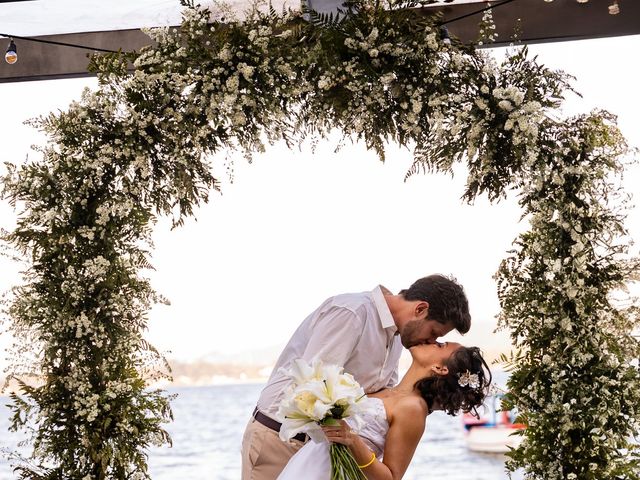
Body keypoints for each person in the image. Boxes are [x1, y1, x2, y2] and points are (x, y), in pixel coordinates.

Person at [241, 275, 471, 480]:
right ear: (420, 309)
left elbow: (377, 407)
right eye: (433, 334)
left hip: (321, 454)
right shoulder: (352, 313)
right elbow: (310, 384)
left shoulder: (397, 340)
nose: (429, 342)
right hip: (283, 440)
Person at [278, 342, 492, 479]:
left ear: (440, 368)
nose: (431, 341)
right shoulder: (385, 388)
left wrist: (352, 440)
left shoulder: (414, 408)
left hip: (332, 473)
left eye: (440, 345)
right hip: (308, 463)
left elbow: (391, 477)